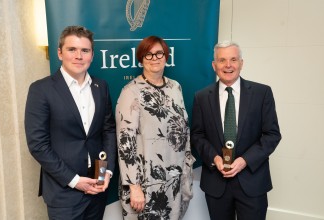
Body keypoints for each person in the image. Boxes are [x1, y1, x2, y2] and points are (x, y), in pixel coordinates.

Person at [25, 25, 116, 220]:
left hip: (97, 190)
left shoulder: (101, 87)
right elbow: (38, 145)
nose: (79, 56)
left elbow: (108, 131)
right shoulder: (41, 90)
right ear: (60, 53)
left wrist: (104, 174)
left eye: (85, 50)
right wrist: (74, 181)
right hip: (64, 192)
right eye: (71, 49)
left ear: (92, 55)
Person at [191, 41, 281, 220]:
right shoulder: (201, 97)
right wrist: (214, 158)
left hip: (252, 182)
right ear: (214, 65)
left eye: (233, 59)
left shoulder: (262, 93)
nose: (228, 65)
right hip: (216, 184)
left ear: (241, 63)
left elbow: (272, 134)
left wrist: (244, 161)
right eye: (222, 60)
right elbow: (197, 135)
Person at [115, 36, 195, 220]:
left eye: (159, 53)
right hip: (146, 184)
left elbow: (185, 133)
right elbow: (125, 142)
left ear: (166, 56)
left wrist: (186, 173)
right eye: (148, 54)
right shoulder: (130, 91)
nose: (154, 58)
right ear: (141, 58)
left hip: (175, 180)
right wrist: (134, 187)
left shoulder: (176, 87)